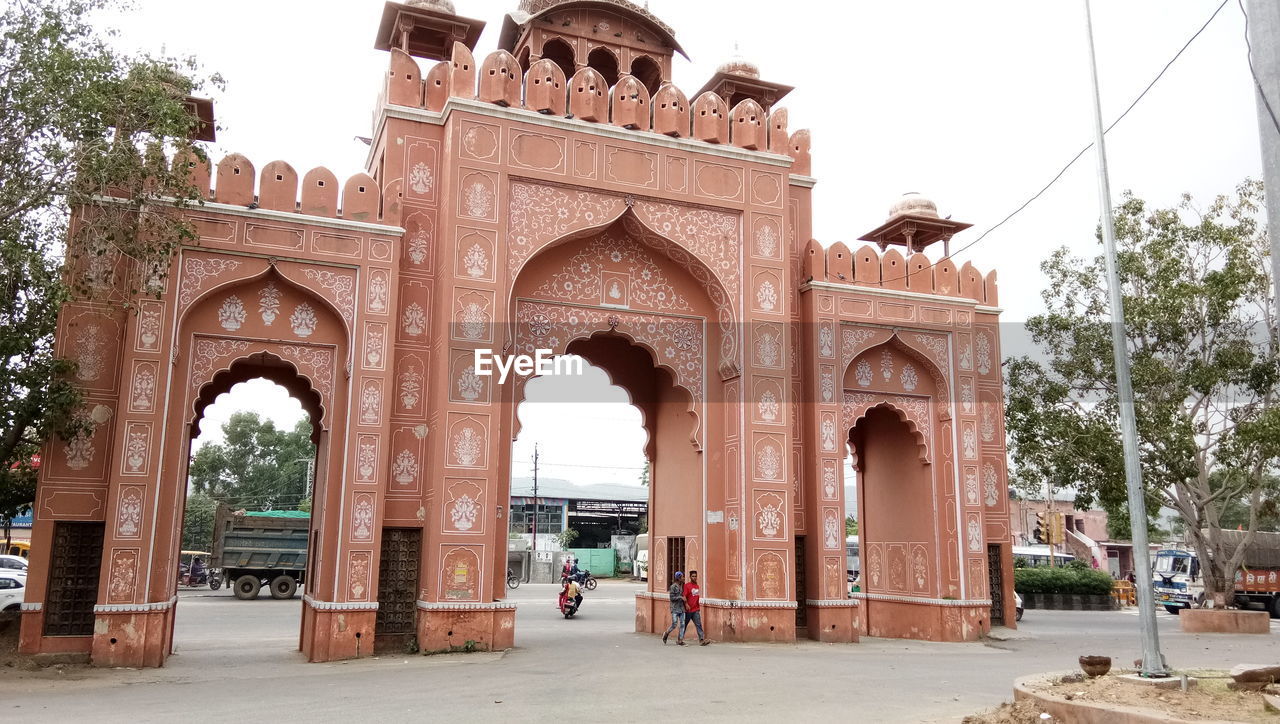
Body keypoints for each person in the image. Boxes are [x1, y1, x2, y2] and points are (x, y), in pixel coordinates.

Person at [681, 570, 708, 645]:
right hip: (688, 610)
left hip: (695, 609)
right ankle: (680, 639)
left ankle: (702, 640)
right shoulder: (687, 586)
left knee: (698, 624)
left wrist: (698, 607)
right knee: (684, 625)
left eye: (695, 576)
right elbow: (684, 596)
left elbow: (696, 598)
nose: (694, 577)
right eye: (693, 576)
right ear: (690, 577)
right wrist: (686, 604)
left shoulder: (697, 586)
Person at [663, 571, 686, 645]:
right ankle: (666, 633)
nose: (683, 578)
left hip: (682, 608)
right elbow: (672, 598)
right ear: (679, 578)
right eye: (682, 577)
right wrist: (680, 597)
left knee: (682, 624)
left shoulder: (683, 585)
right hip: (675, 608)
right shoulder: (673, 587)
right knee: (674, 624)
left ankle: (680, 640)